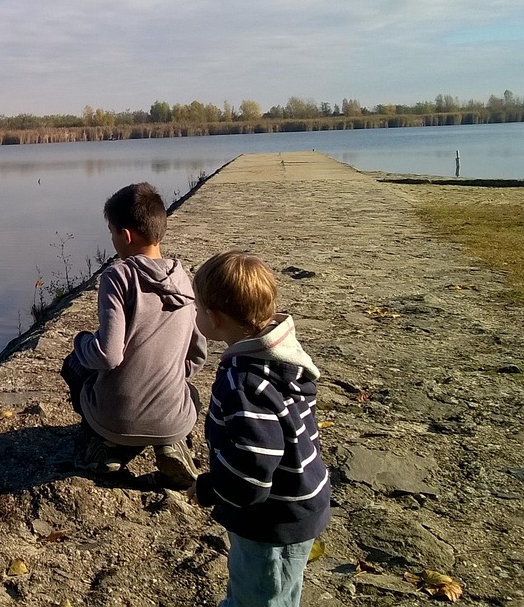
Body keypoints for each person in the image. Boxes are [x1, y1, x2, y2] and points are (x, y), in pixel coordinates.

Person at [188, 251, 331, 607]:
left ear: (215, 319)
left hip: (271, 521)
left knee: (262, 595)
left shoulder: (244, 383)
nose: (194, 314)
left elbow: (251, 473)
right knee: (274, 591)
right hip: (297, 500)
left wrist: (211, 488)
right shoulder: (280, 357)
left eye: (197, 308)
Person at [60, 182, 207, 487]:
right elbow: (197, 354)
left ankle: (106, 446)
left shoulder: (117, 276)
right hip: (172, 419)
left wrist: (81, 342)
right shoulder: (185, 279)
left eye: (112, 232)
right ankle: (171, 443)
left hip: (115, 418)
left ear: (125, 236)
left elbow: (108, 354)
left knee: (75, 365)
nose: (112, 238)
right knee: (190, 394)